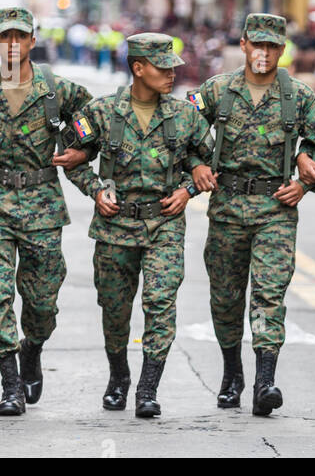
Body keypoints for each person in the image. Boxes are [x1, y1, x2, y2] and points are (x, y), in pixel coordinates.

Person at [0, 7, 94, 415]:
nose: (12, 44)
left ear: (32, 40)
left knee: (42, 303)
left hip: (43, 204)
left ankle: (34, 347)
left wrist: (82, 150)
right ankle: (10, 384)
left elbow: (95, 125)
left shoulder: (60, 91)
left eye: (20, 36)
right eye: (4, 37)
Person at [190, 13, 315, 416]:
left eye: (272, 46)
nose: (264, 52)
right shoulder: (217, 91)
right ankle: (231, 374)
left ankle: (265, 382)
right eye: (257, 44)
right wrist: (196, 166)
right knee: (225, 297)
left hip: (276, 208)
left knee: (269, 295)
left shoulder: (299, 96)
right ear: (243, 45)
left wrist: (306, 180)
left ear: (282, 49)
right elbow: (181, 133)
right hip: (226, 209)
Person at [66, 33, 209, 418]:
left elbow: (209, 161)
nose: (171, 75)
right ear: (138, 68)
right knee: (114, 308)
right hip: (115, 227)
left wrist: (188, 188)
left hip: (164, 224)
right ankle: (118, 377)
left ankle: (148, 389)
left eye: (172, 67)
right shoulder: (101, 112)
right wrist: (95, 190)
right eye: (162, 68)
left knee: (160, 303)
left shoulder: (185, 115)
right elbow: (70, 157)